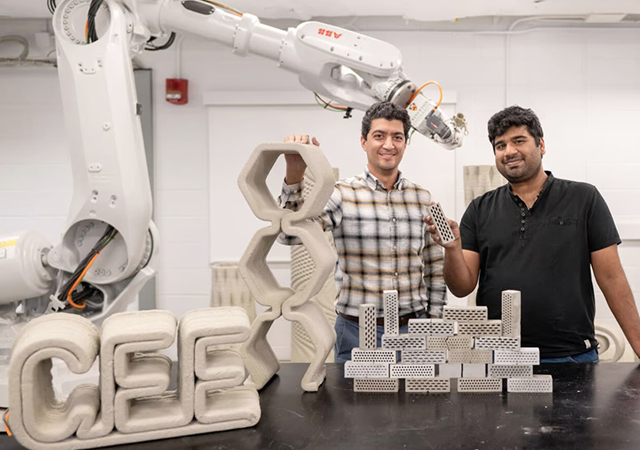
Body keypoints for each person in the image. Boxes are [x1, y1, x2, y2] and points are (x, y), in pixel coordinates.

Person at [426, 105, 640, 362]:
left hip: (570, 355)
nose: (509, 151)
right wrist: (452, 249)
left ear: (541, 145)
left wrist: (639, 346)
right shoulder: (479, 209)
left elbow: (612, 279)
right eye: (500, 145)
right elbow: (462, 287)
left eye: (519, 141)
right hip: (499, 355)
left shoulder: (584, 198)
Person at [279, 101, 447, 363]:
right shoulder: (341, 194)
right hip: (355, 332)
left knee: (417, 393)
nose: (388, 145)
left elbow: (436, 267)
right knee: (351, 393)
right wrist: (294, 175)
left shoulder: (423, 198)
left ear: (405, 143)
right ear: (363, 142)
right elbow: (289, 235)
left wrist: (435, 324)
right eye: (379, 136)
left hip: (414, 330)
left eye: (397, 137)